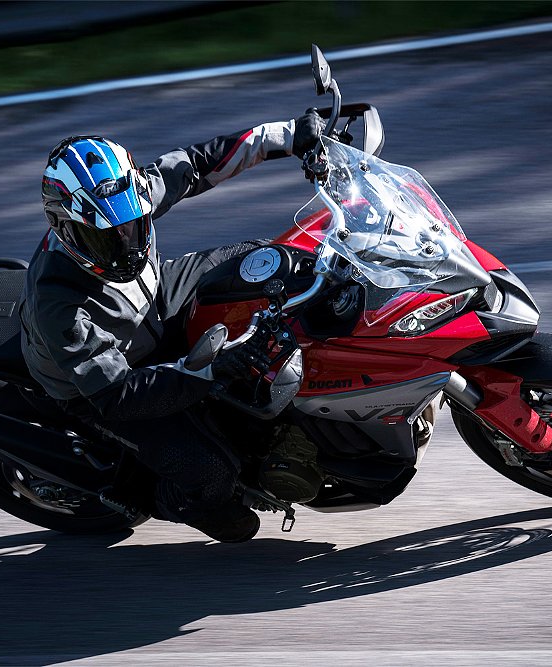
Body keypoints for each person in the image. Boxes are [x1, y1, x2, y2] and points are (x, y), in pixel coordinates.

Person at [19, 113, 324, 543]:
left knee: (266, 263)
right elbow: (117, 394)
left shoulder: (127, 195)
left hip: (154, 299)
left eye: (134, 226)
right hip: (104, 383)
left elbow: (197, 163)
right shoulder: (59, 302)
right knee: (214, 478)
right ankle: (152, 496)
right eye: (109, 236)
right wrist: (212, 370)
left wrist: (292, 135)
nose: (127, 243)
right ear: (65, 227)